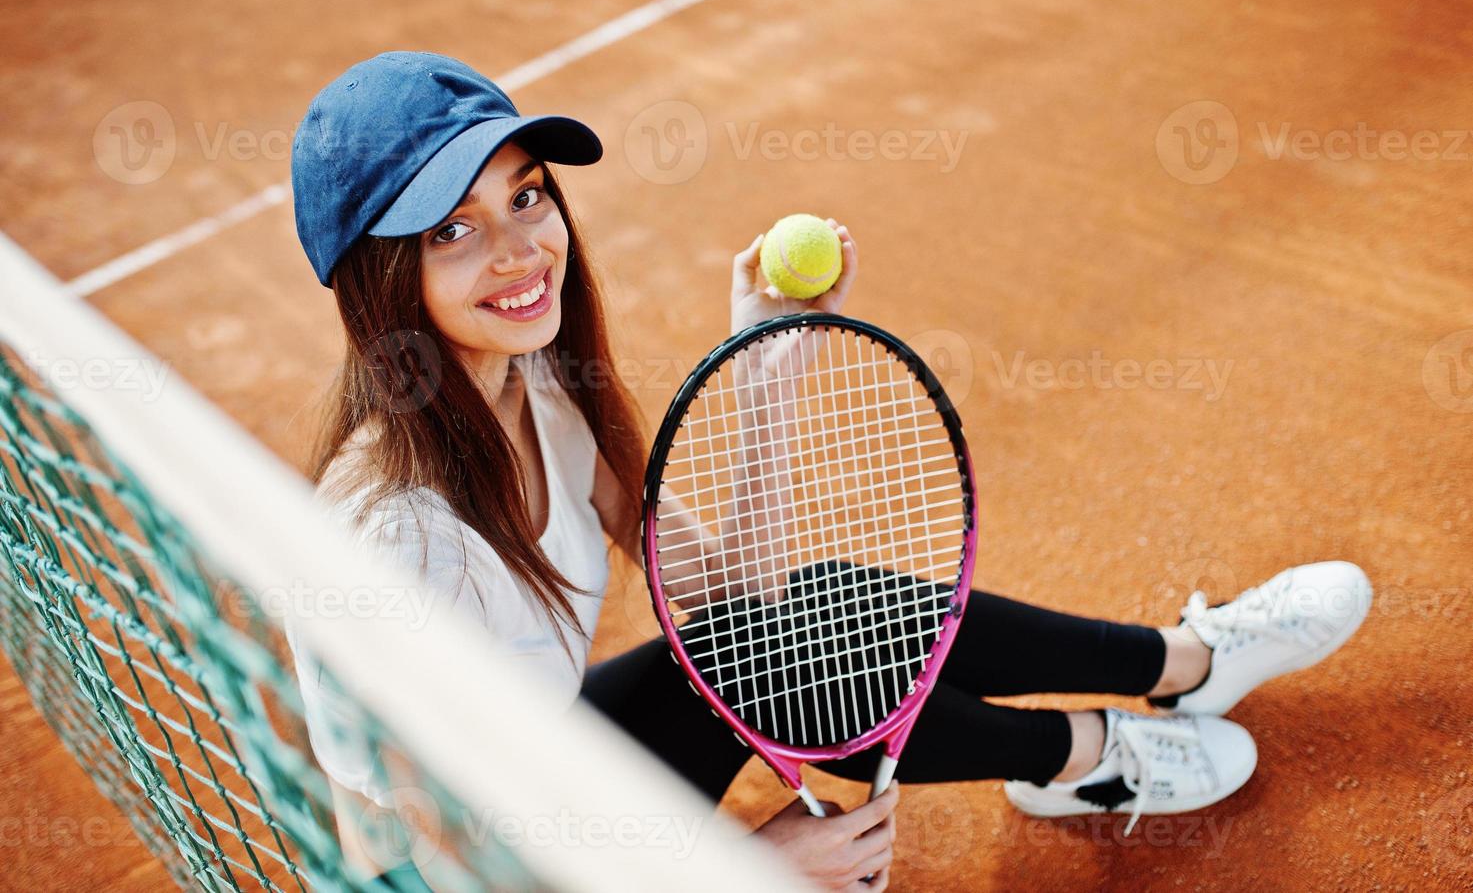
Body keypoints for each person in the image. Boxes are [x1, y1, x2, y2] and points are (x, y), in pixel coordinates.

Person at [287, 52, 1373, 891]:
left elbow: (738, 605)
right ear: (382, 277)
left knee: (798, 622)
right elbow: (465, 861)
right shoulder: (395, 539)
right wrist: (749, 867)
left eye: (527, 196)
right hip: (489, 858)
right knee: (789, 658)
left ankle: (1179, 665)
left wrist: (767, 375)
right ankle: (1084, 747)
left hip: (544, 770)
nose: (523, 250)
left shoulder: (535, 384)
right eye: (455, 230)